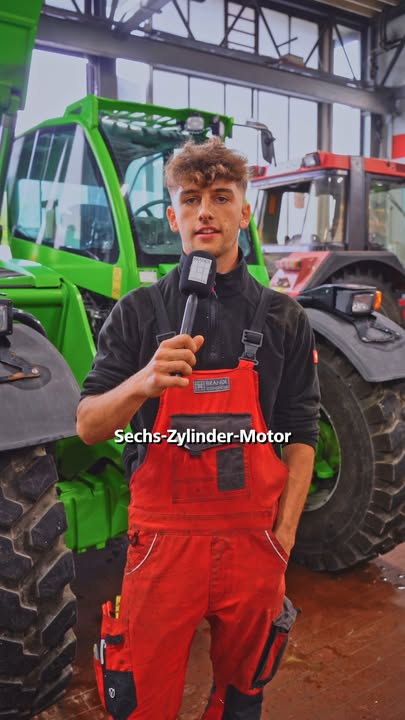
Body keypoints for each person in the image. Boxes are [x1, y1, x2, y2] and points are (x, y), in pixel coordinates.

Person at [76, 137, 320, 720]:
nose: (205, 212)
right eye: (190, 199)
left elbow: (300, 431)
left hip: (254, 545)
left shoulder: (284, 317)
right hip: (162, 548)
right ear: (172, 216)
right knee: (144, 702)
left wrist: (284, 536)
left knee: (241, 699)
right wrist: (142, 382)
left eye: (220, 197)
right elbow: (87, 425)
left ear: (245, 211)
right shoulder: (138, 313)